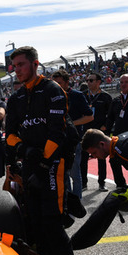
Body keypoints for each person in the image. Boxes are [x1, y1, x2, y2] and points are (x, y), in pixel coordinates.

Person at [5, 46, 76, 255]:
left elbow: (59, 132)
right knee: (36, 227)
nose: (17, 70)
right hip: (30, 166)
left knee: (54, 226)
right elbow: (9, 135)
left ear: (35, 64)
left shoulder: (52, 90)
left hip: (53, 166)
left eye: (21, 65)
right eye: (14, 66)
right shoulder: (15, 99)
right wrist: (24, 148)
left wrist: (42, 158)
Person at [51, 69, 93, 199]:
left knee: (75, 173)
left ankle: (77, 201)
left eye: (59, 83)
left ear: (67, 82)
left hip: (74, 140)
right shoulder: (51, 96)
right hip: (58, 140)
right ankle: (68, 201)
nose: (56, 86)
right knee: (63, 173)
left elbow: (89, 117)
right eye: (54, 83)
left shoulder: (77, 95)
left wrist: (71, 124)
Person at [81, 72, 113, 191]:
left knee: (101, 156)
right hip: (85, 130)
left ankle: (102, 182)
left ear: (98, 82)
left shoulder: (106, 97)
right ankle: (84, 182)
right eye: (88, 80)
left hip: (100, 131)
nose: (88, 82)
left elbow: (111, 115)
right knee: (83, 157)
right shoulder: (83, 95)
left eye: (91, 80)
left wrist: (106, 126)